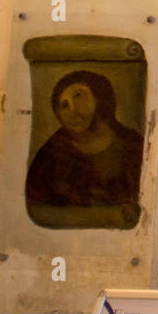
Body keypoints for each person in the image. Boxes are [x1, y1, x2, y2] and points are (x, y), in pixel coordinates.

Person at [25, 69, 144, 229]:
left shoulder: (132, 145)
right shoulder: (49, 157)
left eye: (78, 96)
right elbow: (37, 211)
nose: (72, 109)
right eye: (64, 105)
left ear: (100, 96)